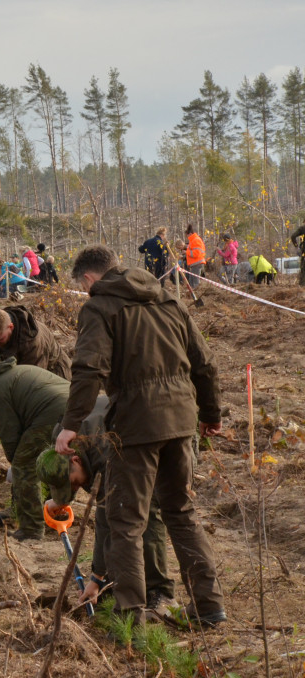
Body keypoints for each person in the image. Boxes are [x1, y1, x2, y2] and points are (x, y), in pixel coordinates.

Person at [54, 245, 225, 628]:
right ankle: (209, 607)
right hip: (182, 419)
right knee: (181, 513)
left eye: (83, 287)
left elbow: (87, 370)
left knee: (126, 521)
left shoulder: (99, 308)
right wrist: (210, 414)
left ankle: (131, 621)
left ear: (88, 279)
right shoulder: (169, 300)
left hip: (135, 425)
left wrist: (70, 424)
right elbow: (205, 363)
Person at [36, 395, 176, 617]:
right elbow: (77, 476)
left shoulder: (103, 456)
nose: (75, 488)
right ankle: (114, 581)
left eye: (72, 485)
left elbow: (104, 521)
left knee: (146, 513)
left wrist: (96, 577)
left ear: (75, 460)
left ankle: (161, 591)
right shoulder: (63, 442)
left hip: (160, 436)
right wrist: (61, 500)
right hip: (132, 428)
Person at [0, 358, 68, 540]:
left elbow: (11, 436)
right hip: (73, 404)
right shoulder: (6, 374)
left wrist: (16, 464)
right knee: (55, 460)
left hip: (52, 412)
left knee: (23, 465)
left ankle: (31, 529)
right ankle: (58, 509)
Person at [0, 306, 71, 379]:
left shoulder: (32, 343)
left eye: (0, 339)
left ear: (11, 327)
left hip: (55, 375)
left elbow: (32, 380)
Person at [184, 224, 206, 288]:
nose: (187, 237)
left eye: (187, 235)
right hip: (194, 264)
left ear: (190, 234)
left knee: (195, 282)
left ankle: (197, 295)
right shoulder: (193, 240)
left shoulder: (196, 240)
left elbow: (196, 253)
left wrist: (186, 252)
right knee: (191, 281)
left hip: (197, 263)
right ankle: (192, 296)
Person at [291, 222, 305, 286]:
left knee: (303, 269)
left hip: (304, 251)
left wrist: (297, 247)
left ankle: (302, 287)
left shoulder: (302, 228)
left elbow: (293, 236)